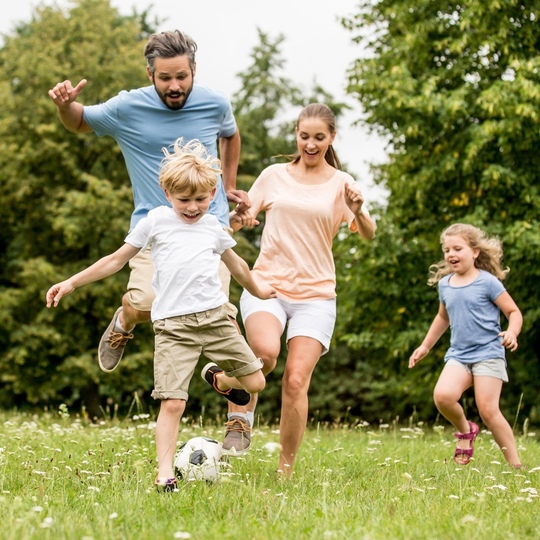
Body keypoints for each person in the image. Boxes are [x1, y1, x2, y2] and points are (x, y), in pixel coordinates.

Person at [46, 138, 276, 491]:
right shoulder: (155, 222)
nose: (193, 207)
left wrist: (260, 290)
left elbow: (239, 266)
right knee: (172, 403)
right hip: (173, 328)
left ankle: (218, 379)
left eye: (201, 199)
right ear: (167, 192)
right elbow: (115, 260)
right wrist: (72, 282)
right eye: (184, 200)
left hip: (215, 320)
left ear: (212, 193)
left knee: (256, 381)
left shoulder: (214, 228)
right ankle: (165, 473)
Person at [47, 29, 248, 374]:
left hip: (209, 225)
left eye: (182, 76)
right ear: (150, 74)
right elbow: (78, 121)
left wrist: (227, 185)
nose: (174, 86)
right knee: (146, 304)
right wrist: (65, 106)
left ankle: (239, 422)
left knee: (223, 317)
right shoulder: (127, 107)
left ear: (194, 71)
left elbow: (229, 133)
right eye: (165, 77)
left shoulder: (215, 103)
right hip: (153, 230)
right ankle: (125, 318)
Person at [228, 103, 376, 474]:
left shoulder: (343, 184)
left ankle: (285, 470)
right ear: (296, 134)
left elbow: (370, 233)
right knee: (264, 352)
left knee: (295, 380)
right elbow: (239, 219)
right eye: (304, 136)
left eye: (319, 138)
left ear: (332, 138)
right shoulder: (274, 175)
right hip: (268, 285)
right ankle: (239, 415)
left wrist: (357, 211)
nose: (310, 144)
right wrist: (240, 219)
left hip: (317, 296)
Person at [409, 223, 523, 468]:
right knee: (443, 396)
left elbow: (514, 311)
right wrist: (425, 346)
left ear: (475, 252)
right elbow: (442, 318)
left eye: (457, 248)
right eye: (446, 249)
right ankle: (465, 430)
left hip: (488, 353)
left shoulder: (488, 283)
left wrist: (512, 332)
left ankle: (515, 466)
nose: (451, 254)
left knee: (488, 410)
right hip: (459, 354)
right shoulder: (445, 285)